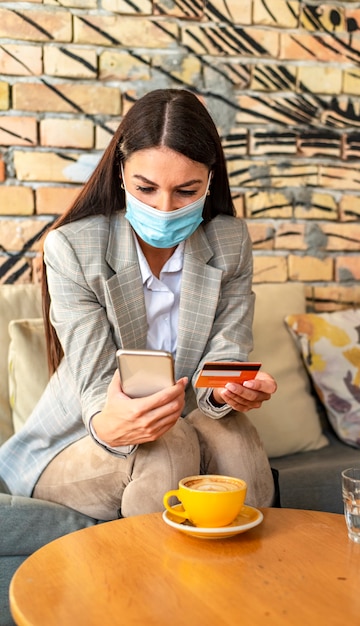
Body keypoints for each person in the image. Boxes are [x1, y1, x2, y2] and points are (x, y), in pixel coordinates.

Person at [0, 89, 276, 520]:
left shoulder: (229, 242)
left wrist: (229, 390)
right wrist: (113, 425)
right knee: (170, 442)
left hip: (180, 423)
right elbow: (94, 384)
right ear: (121, 173)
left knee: (232, 433)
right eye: (146, 188)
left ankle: (250, 578)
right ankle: (148, 586)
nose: (163, 209)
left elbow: (226, 353)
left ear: (209, 179)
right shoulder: (74, 248)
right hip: (78, 439)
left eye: (186, 191)